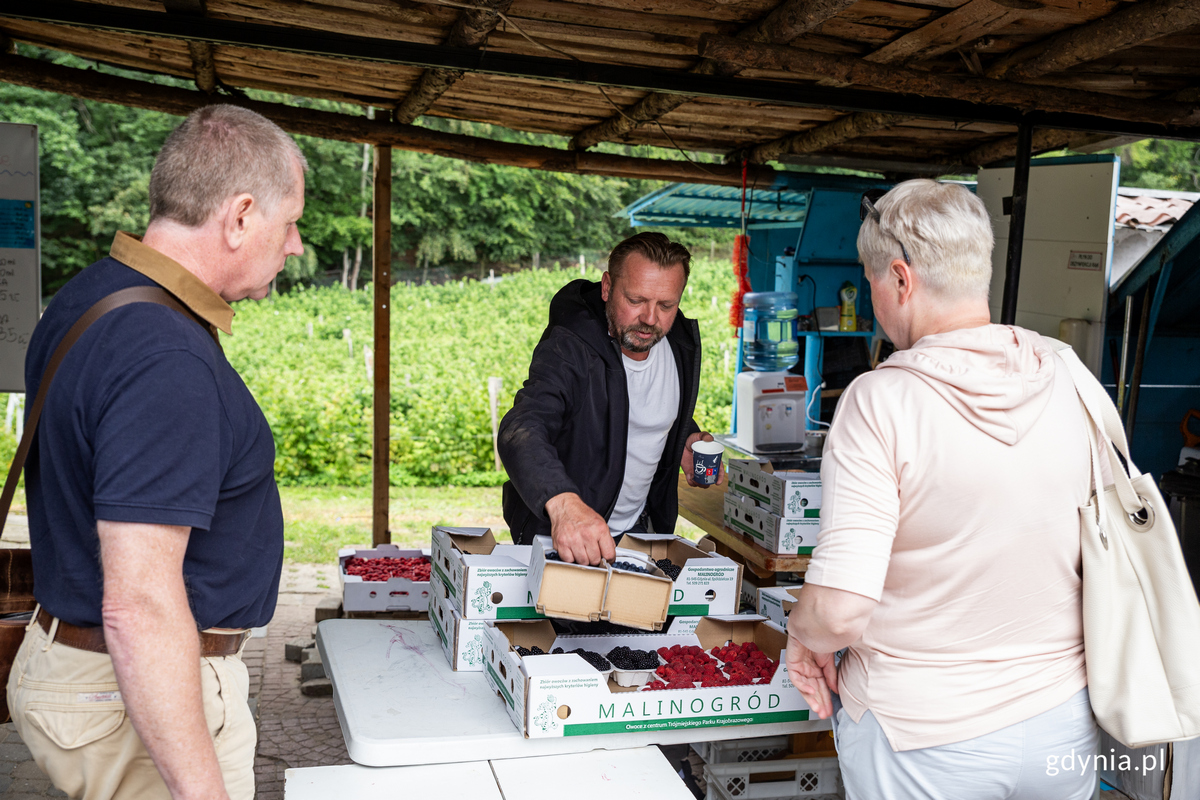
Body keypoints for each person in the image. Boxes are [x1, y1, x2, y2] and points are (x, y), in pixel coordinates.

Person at [7, 104, 306, 800]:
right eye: (288, 221)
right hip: (125, 693)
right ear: (238, 218)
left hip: (92, 680)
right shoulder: (164, 355)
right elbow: (139, 603)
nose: (294, 245)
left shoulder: (94, 294)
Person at [786, 180, 1099, 799]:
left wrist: (804, 634)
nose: (873, 297)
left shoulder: (881, 401)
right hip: (1065, 723)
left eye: (871, 281)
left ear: (901, 280)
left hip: (923, 737)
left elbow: (842, 608)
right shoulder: (1068, 374)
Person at [498, 232, 721, 565]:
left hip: (639, 536)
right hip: (566, 539)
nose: (649, 318)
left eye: (666, 305)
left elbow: (641, 403)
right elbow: (523, 427)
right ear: (606, 288)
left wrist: (684, 436)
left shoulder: (677, 345)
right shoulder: (571, 346)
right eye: (635, 300)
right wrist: (563, 504)